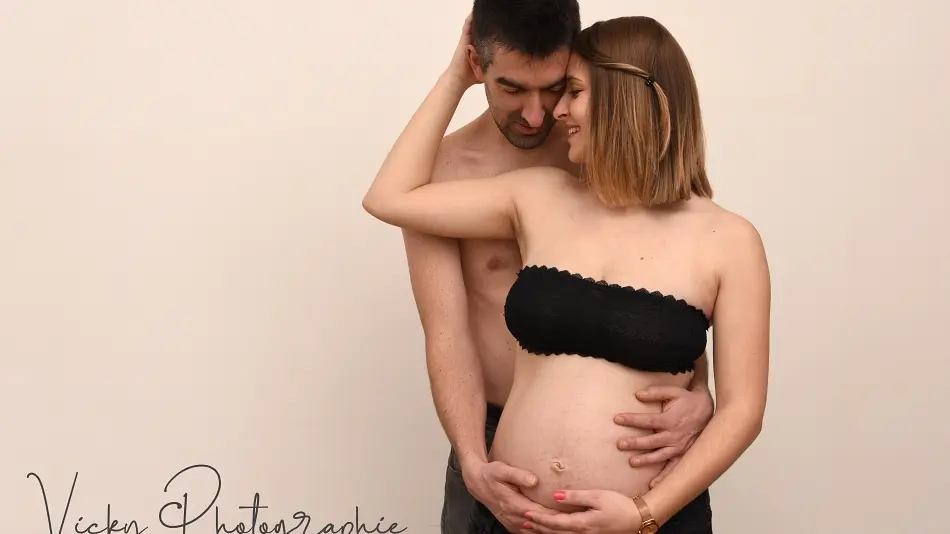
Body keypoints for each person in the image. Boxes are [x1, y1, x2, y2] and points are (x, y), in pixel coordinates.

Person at [364, 8, 770, 534]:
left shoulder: (728, 239)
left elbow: (720, 384)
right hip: (502, 480)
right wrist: (455, 77)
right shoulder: (534, 193)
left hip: (647, 511)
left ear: (620, 97)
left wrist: (698, 404)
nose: (547, 113)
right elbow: (390, 204)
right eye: (514, 88)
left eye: (566, 90)